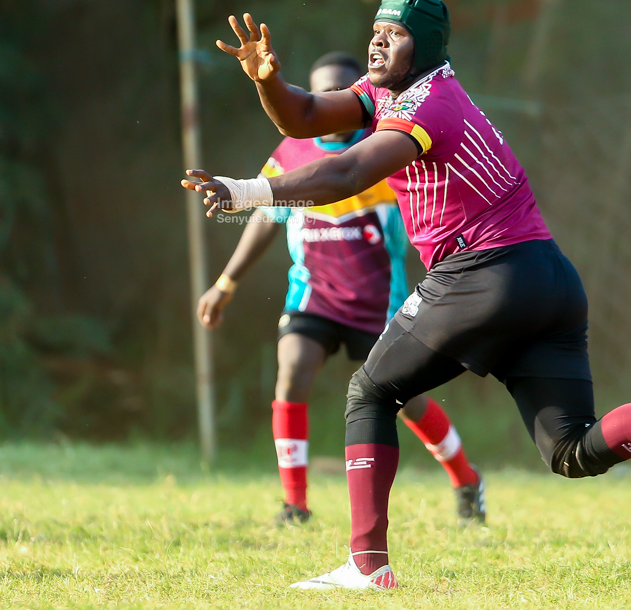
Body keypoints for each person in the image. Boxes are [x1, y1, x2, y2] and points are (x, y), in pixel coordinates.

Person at [181, 0, 631, 591]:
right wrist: (268, 81)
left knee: (370, 391)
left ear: (425, 48)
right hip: (547, 279)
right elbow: (304, 118)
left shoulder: (428, 103)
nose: (378, 40)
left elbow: (348, 171)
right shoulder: (389, 92)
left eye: (395, 33)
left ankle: (367, 565)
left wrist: (247, 191)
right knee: (571, 451)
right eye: (377, 29)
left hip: (484, 272)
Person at [198, 51, 484, 526]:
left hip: (380, 306)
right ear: (310, 97)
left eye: (343, 90)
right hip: (313, 296)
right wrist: (226, 283)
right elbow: (267, 216)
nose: (333, 97)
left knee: (406, 400)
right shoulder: (291, 152)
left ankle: (466, 479)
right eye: (323, 90)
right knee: (292, 372)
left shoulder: (385, 148)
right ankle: (295, 504)